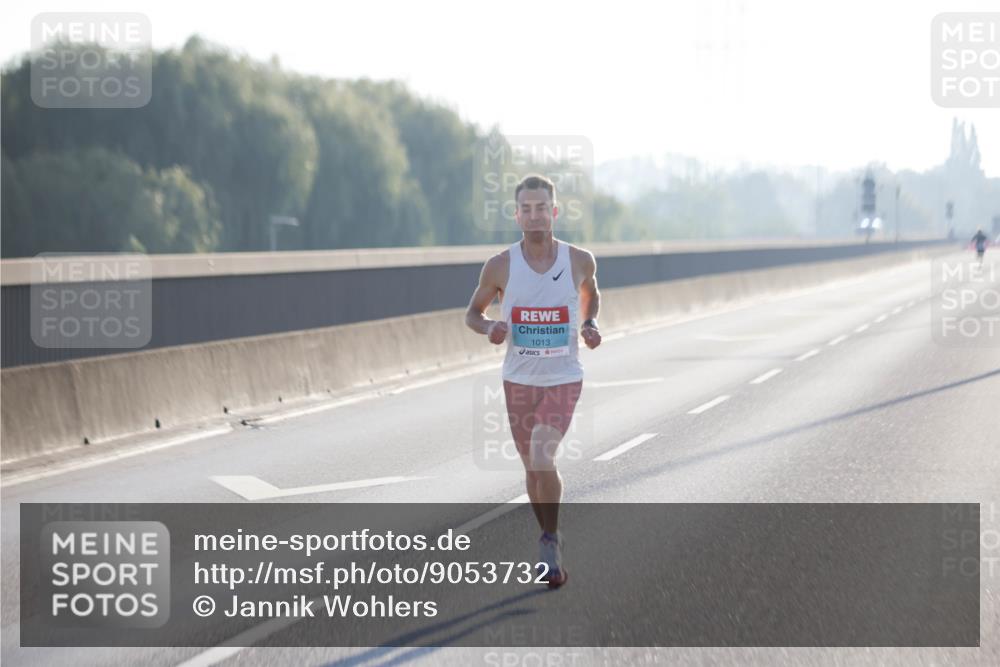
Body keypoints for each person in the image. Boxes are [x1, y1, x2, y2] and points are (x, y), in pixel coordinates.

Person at [465, 174, 601, 589]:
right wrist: (489, 327)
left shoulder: (579, 259)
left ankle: (549, 540)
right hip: (519, 379)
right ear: (517, 215)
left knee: (543, 456)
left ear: (554, 212)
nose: (534, 215)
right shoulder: (500, 265)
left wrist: (590, 323)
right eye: (526, 208)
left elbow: (590, 294)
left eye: (542, 207)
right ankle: (548, 535)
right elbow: (472, 313)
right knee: (531, 469)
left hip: (563, 377)